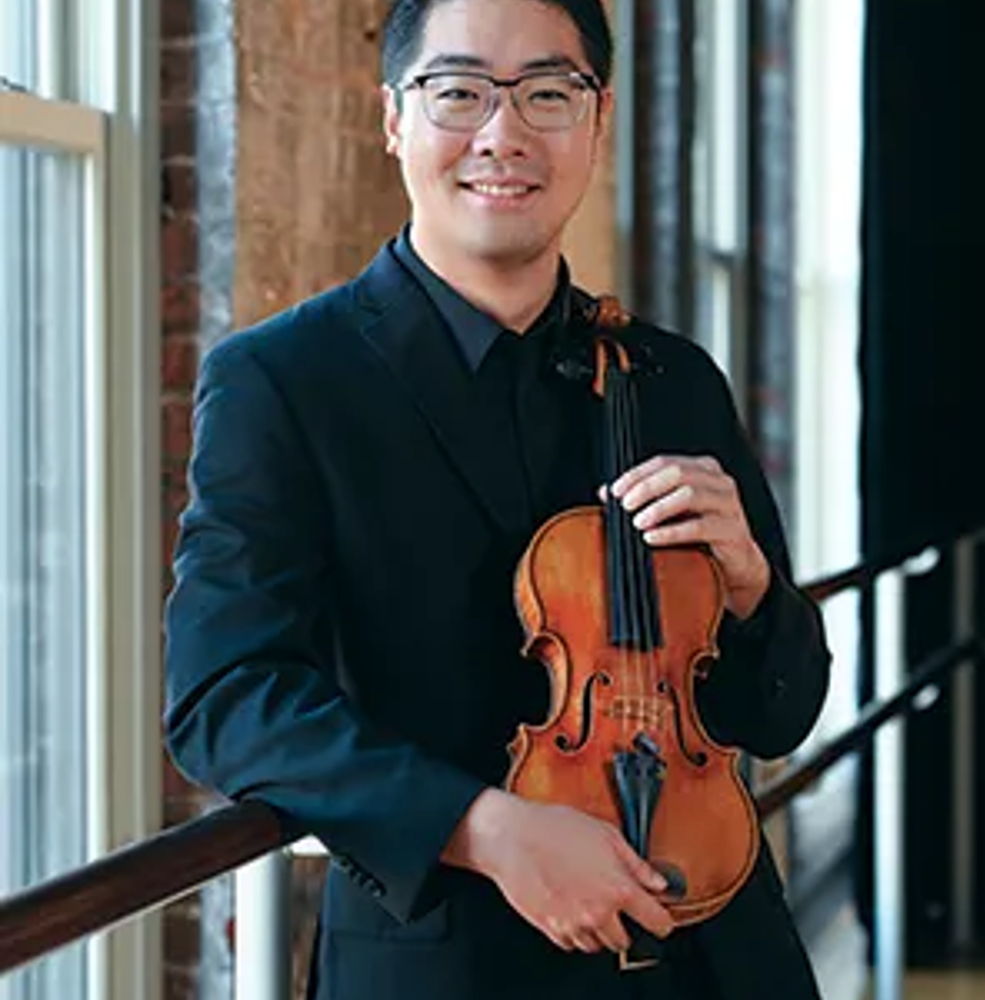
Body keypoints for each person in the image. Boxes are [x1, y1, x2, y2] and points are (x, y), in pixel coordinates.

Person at [164, 1, 831, 997]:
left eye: (548, 93)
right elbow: (224, 696)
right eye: (459, 91)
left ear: (598, 120)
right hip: (447, 959)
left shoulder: (672, 380)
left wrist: (750, 592)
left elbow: (776, 715)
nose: (502, 133)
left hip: (708, 944)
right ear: (395, 118)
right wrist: (483, 826)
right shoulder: (284, 382)